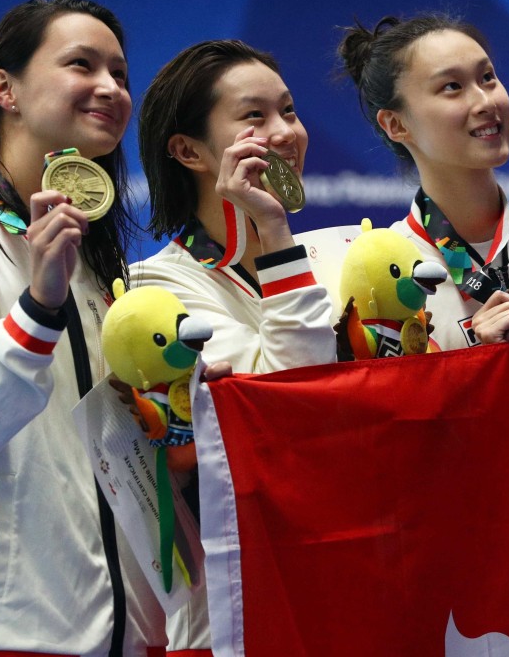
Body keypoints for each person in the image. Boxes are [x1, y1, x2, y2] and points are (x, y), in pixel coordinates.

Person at [0, 0, 166, 654]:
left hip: (126, 636)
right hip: (12, 638)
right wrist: (36, 314)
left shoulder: (91, 263)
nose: (110, 88)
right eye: (83, 65)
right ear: (4, 88)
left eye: (122, 75)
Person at [131, 39, 337, 653]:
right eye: (254, 116)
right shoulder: (155, 291)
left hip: (340, 591)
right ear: (188, 150)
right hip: (232, 619)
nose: (284, 133)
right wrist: (273, 229)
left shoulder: (331, 261)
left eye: (291, 111)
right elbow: (286, 408)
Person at [337, 15, 509, 351]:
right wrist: (478, 365)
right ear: (395, 124)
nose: (486, 102)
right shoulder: (385, 275)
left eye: (487, 78)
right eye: (452, 86)